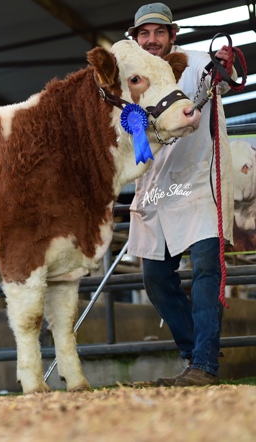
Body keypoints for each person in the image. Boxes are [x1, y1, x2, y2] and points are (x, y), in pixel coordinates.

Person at [126, 3, 237, 386]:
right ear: (136, 38)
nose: (152, 40)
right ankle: (195, 352)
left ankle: (203, 366)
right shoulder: (129, 79)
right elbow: (133, 144)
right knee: (155, 277)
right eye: (145, 33)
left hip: (198, 183)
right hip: (156, 189)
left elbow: (222, 79)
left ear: (173, 36)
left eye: (159, 32)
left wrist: (225, 62)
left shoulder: (194, 63)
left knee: (206, 270)